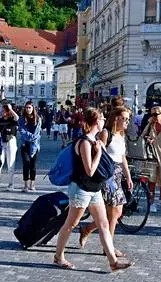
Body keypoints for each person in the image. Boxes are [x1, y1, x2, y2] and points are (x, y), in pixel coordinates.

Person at [54, 107, 133, 271]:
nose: (104, 120)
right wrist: (98, 152)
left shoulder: (95, 140)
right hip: (81, 188)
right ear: (96, 121)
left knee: (104, 224)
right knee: (72, 223)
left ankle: (113, 262)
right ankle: (58, 256)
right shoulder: (84, 142)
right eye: (102, 118)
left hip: (95, 189)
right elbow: (89, 170)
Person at [79, 106, 133, 257]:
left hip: (117, 174)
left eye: (128, 119)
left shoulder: (121, 135)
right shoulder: (105, 133)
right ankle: (108, 246)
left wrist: (128, 176)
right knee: (113, 211)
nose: (127, 122)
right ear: (116, 118)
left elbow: (123, 158)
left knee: (114, 212)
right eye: (125, 118)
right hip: (107, 174)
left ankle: (89, 230)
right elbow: (99, 153)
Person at [0, 103, 19, 192]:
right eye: (1, 110)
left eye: (3, 110)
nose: (2, 112)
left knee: (11, 163)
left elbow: (17, 118)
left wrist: (10, 109)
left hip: (11, 141)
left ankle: (11, 184)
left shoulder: (12, 120)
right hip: (2, 142)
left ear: (7, 112)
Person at [18, 101, 41, 192]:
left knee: (33, 165)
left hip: (35, 145)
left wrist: (31, 137)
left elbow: (37, 133)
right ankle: (25, 185)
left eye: (29, 107)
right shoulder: (22, 119)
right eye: (26, 107)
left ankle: (32, 184)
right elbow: (22, 132)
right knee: (26, 163)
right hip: (25, 144)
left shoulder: (38, 119)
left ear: (33, 108)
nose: (28, 109)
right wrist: (31, 137)